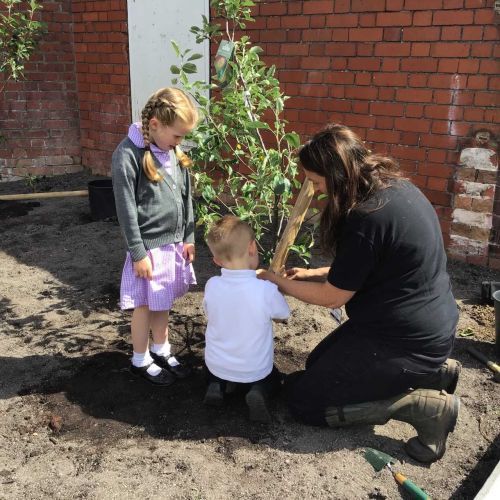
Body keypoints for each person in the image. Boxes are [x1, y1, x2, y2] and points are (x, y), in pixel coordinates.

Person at [258, 124, 461, 463]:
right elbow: (376, 262)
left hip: (404, 339)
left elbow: (333, 298)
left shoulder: (366, 219)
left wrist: (278, 281)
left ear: (336, 175)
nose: (317, 191)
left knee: (305, 402)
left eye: (319, 183)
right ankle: (434, 372)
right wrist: (311, 273)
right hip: (419, 325)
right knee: (315, 364)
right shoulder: (395, 189)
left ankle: (422, 408)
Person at [112, 87, 198, 386]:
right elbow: (125, 209)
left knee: (163, 302)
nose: (181, 141)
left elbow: (186, 198)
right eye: (178, 135)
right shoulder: (127, 155)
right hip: (148, 251)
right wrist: (137, 252)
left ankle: (161, 349)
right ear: (155, 125)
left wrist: (188, 237)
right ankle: (140, 358)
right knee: (144, 306)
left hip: (172, 245)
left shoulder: (174, 151)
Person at [203, 216, 290, 422]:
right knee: (274, 378)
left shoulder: (212, 285)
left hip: (217, 364)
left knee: (213, 368)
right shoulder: (265, 290)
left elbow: (209, 312)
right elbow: (284, 314)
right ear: (252, 248)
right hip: (255, 368)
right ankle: (258, 392)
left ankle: (217, 385)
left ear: (216, 260)